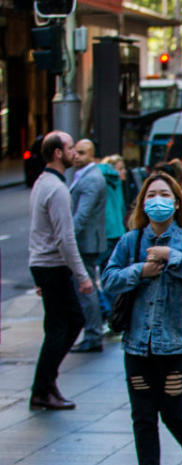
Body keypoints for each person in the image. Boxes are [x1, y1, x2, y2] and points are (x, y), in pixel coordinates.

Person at [102, 172, 182, 465]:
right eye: (150, 195)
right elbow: (108, 279)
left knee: (173, 411)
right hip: (137, 344)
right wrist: (139, 271)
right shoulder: (130, 241)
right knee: (143, 414)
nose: (157, 200)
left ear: (177, 201)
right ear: (142, 203)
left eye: (164, 194)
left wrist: (172, 257)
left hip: (177, 344)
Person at [27, 131, 93, 410]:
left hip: (46, 265)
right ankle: (42, 388)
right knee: (62, 326)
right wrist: (83, 275)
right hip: (52, 266)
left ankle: (46, 384)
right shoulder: (56, 189)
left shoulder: (43, 183)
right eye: (69, 148)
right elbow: (65, 239)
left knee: (68, 322)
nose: (74, 153)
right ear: (57, 153)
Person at [70, 138, 108, 353]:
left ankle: (93, 335)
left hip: (86, 242)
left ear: (92, 155)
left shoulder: (92, 178)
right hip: (87, 241)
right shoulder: (83, 175)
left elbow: (82, 215)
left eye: (82, 153)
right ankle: (92, 333)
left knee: (86, 288)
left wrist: (66, 239)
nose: (77, 156)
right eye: (76, 152)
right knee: (86, 286)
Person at [98, 155, 129, 321]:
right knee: (109, 275)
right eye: (120, 168)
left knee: (107, 275)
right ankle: (109, 310)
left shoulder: (115, 183)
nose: (123, 172)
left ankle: (108, 310)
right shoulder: (108, 180)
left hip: (111, 233)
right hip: (113, 232)